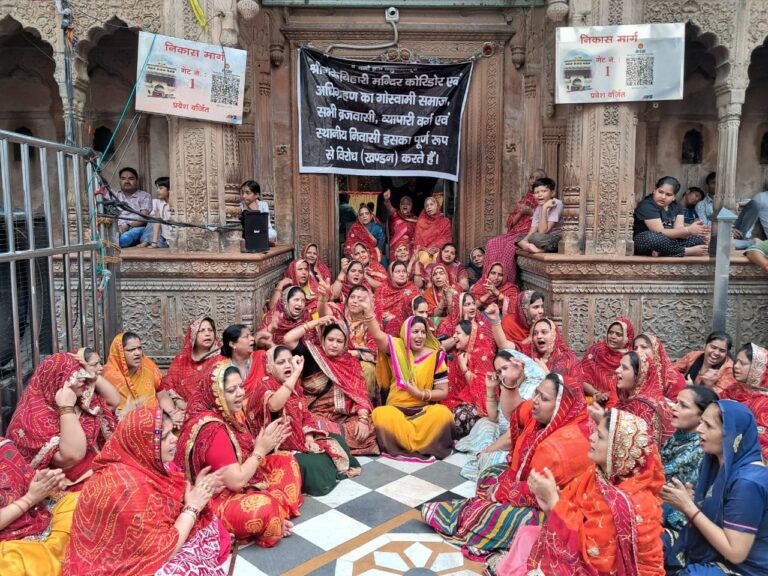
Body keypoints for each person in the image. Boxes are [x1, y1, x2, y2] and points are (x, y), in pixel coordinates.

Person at [422, 371, 590, 562]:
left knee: (492, 516)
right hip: (529, 485)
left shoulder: (560, 448)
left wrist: (500, 492)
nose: (535, 400)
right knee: (491, 473)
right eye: (536, 393)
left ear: (561, 406)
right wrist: (510, 384)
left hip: (556, 512)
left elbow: (538, 493)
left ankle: (475, 518)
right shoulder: (548, 416)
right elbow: (517, 413)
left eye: (544, 398)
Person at [64, 407, 230, 575]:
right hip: (114, 567)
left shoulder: (144, 465)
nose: (174, 439)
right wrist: (193, 507)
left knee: (209, 527)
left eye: (172, 432)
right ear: (143, 443)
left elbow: (169, 506)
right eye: (164, 437)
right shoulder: (129, 487)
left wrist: (199, 490)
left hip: (136, 550)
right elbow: (162, 549)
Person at [501, 409, 665, 576]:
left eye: (600, 437)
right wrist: (552, 504)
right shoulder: (598, 475)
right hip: (577, 557)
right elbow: (576, 519)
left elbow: (595, 560)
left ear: (616, 450)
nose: (591, 438)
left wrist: (553, 502)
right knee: (526, 534)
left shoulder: (628, 505)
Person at [175, 364, 303, 545]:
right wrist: (260, 450)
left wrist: (266, 442)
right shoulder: (213, 428)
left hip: (237, 476)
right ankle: (274, 513)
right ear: (216, 394)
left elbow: (242, 458)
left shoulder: (228, 412)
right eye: (231, 390)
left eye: (241, 387)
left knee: (286, 460)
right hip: (213, 500)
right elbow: (236, 482)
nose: (240, 393)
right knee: (265, 509)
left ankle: (277, 513)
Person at [661, 400, 768, 576]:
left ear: (732, 436)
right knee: (649, 540)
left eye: (708, 426)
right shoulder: (717, 463)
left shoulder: (748, 482)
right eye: (701, 421)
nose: (699, 429)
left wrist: (689, 506)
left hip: (745, 569)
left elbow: (735, 553)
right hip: (714, 552)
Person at [249, 347, 360, 495]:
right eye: (281, 362)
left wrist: (309, 438)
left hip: (299, 439)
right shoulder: (264, 385)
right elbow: (274, 405)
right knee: (311, 465)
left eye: (290, 361)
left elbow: (305, 414)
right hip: (276, 448)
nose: (288, 365)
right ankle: (327, 476)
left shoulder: (294, 384)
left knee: (336, 439)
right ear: (269, 367)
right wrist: (295, 374)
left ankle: (334, 471)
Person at [6, 353, 117, 489]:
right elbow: (72, 456)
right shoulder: (29, 420)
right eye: (74, 375)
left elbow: (113, 401)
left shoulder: (80, 400)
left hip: (97, 469)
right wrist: (66, 407)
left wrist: (91, 371)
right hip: (68, 485)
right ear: (56, 380)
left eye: (82, 372)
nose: (83, 378)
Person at [367, 309, 455, 460]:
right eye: (415, 332)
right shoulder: (396, 348)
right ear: (406, 333)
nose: (419, 336)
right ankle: (422, 444)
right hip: (397, 409)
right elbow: (377, 335)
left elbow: (442, 391)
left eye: (423, 332)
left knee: (443, 414)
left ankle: (403, 444)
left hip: (423, 410)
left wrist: (420, 394)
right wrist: (368, 311)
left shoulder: (436, 356)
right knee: (381, 415)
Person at [282, 320, 379, 455]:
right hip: (313, 414)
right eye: (330, 340)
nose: (334, 345)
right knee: (307, 424)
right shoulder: (312, 354)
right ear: (323, 340)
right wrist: (316, 322)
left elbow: (360, 395)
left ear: (345, 344)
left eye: (339, 341)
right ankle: (328, 439)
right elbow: (287, 339)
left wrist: (362, 420)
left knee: (370, 427)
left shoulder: (350, 363)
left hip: (341, 415)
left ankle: (327, 440)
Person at [454, 350, 546, 481]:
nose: (502, 374)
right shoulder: (510, 385)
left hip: (519, 442)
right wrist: (490, 389)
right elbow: (495, 418)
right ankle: (486, 453)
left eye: (505, 368)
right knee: (484, 423)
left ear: (519, 365)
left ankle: (487, 458)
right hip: (504, 436)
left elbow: (513, 434)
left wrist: (488, 450)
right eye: (499, 371)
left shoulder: (532, 388)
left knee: (494, 460)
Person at [0, 440, 77, 575]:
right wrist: (29, 499)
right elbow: (72, 455)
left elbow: (19, 478)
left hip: (36, 512)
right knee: (19, 566)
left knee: (82, 504)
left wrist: (40, 480)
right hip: (9, 537)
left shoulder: (3, 444)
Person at [661, 385, 719, 541]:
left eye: (683, 405)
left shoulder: (700, 448)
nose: (674, 407)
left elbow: (662, 478)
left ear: (702, 416)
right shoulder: (678, 437)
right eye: (676, 402)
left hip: (680, 520)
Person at [589, 351, 673, 445]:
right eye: (619, 366)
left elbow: (634, 446)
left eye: (624, 368)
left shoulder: (643, 407)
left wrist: (602, 421)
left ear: (639, 375)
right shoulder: (627, 399)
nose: (617, 370)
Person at [484, 169, 547, 282]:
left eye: (536, 179)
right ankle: (488, 280)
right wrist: (522, 212)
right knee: (491, 244)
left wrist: (529, 211)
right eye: (531, 178)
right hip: (515, 232)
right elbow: (511, 222)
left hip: (530, 233)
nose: (532, 181)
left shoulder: (545, 200)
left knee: (509, 248)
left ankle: (506, 283)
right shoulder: (525, 199)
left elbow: (545, 220)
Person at [158, 316, 223, 417]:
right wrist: (179, 402)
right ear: (193, 335)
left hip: (213, 415)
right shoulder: (180, 361)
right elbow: (167, 385)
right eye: (201, 330)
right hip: (182, 413)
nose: (207, 333)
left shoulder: (221, 359)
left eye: (210, 330)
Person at [443, 319, 498, 437]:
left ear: (471, 336)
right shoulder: (460, 354)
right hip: (460, 401)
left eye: (458, 333)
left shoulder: (482, 354)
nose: (454, 336)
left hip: (480, 405)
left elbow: (482, 386)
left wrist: (464, 369)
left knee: (462, 415)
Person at [633, 176, 709, 257]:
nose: (663, 197)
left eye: (668, 194)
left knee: (700, 238)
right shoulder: (647, 205)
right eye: (660, 192)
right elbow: (660, 231)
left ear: (674, 197)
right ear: (654, 191)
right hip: (647, 240)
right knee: (653, 238)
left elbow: (678, 230)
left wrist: (694, 230)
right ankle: (685, 251)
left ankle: (663, 251)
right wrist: (688, 230)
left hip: (669, 240)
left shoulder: (676, 206)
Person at [723, 343, 768, 460]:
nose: (736, 366)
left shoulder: (764, 404)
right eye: (736, 361)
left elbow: (762, 442)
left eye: (743, 364)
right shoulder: (732, 390)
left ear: (757, 369)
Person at [102, 331, 163, 416]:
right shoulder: (109, 375)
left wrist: (172, 414)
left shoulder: (148, 366)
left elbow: (163, 395)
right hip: (122, 424)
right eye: (131, 350)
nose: (137, 353)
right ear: (120, 353)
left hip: (155, 421)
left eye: (139, 348)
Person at [579, 317, 634, 407]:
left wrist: (609, 395)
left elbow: (631, 385)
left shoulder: (630, 357)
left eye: (618, 334)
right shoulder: (596, 350)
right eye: (610, 332)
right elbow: (581, 377)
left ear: (627, 338)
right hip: (592, 399)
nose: (612, 336)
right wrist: (597, 394)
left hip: (618, 402)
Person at [634, 332, 687, 399]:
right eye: (635, 348)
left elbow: (679, 404)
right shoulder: (635, 372)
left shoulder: (672, 377)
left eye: (644, 347)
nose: (638, 351)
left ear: (655, 350)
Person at [517, 177, 563, 254]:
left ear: (552, 193)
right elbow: (533, 229)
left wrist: (545, 208)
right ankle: (529, 246)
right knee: (519, 237)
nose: (539, 195)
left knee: (536, 237)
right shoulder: (538, 208)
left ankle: (541, 250)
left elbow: (543, 231)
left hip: (558, 239)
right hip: (545, 238)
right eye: (536, 192)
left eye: (544, 191)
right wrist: (524, 241)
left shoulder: (556, 204)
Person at [374, 261, 419, 337]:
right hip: (383, 325)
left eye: (404, 271)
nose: (402, 274)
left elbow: (416, 312)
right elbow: (377, 309)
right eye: (398, 272)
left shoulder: (413, 289)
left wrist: (395, 318)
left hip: (407, 326)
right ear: (391, 274)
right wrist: (384, 316)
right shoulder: (382, 289)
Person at [219, 324, 267, 393]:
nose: (252, 338)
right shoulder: (222, 368)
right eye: (246, 337)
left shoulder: (261, 357)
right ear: (232, 344)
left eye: (251, 335)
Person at [114, 166, 152, 248]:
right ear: (119, 181)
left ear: (137, 181)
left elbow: (143, 217)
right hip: (116, 228)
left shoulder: (144, 196)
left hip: (135, 228)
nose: (127, 181)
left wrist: (127, 225)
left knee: (122, 240)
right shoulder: (113, 195)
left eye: (131, 178)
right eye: (123, 178)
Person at [413, 196, 453, 265]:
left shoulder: (445, 221)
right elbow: (417, 242)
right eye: (426, 205)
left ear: (437, 206)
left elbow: (447, 239)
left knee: (437, 257)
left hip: (439, 249)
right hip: (424, 250)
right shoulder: (421, 222)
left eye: (431, 204)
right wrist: (427, 249)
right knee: (425, 257)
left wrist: (436, 247)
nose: (429, 207)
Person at [137, 176, 173, 248]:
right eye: (157, 188)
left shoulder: (176, 204)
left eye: (161, 188)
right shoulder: (158, 203)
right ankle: (147, 241)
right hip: (164, 237)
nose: (157, 191)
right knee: (153, 219)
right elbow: (157, 222)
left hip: (174, 238)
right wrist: (154, 242)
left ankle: (148, 241)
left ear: (169, 190)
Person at [382, 188, 417, 255]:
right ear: (399, 206)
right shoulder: (395, 215)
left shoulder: (415, 219)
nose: (405, 205)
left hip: (410, 248)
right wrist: (387, 200)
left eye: (408, 204)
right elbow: (389, 208)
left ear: (411, 206)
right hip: (396, 248)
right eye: (403, 204)